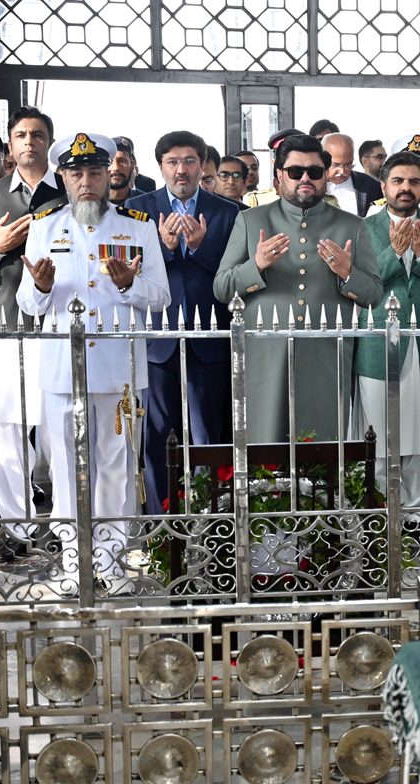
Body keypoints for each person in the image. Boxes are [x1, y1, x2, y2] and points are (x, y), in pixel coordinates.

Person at [17, 132, 170, 594]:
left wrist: (127, 285)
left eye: (95, 173)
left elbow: (160, 298)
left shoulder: (138, 227)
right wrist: (41, 287)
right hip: (63, 370)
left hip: (119, 371)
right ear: (63, 178)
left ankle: (112, 562)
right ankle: (73, 562)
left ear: (109, 176)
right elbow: (27, 304)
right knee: (65, 468)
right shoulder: (44, 226)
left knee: (117, 468)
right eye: (77, 173)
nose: (86, 182)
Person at [214, 133, 382, 442]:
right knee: (264, 445)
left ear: (325, 176)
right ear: (280, 175)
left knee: (322, 450)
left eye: (314, 172)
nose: (305, 178)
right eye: (295, 171)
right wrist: (257, 265)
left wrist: (347, 272)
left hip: (326, 358)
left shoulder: (352, 226)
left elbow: (373, 294)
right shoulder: (251, 220)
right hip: (265, 356)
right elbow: (222, 287)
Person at [126, 131, 240, 516]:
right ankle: (163, 522)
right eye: (173, 162)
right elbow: (128, 273)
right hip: (158, 340)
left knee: (209, 435)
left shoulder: (228, 212)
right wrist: (164, 248)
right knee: (158, 435)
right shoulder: (137, 209)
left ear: (202, 165)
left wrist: (201, 247)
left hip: (210, 340)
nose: (181, 170)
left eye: (190, 161)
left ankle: (209, 518)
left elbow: (232, 273)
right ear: (160, 166)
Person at [354, 151, 420, 518]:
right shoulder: (364, 228)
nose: (405, 188)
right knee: (382, 434)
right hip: (378, 348)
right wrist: (395, 253)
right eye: (397, 181)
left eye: (414, 181)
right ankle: (383, 516)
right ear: (383, 186)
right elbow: (362, 288)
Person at [0, 106, 66, 563]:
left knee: (58, 430)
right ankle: (17, 529)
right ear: (10, 143)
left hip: (59, 326)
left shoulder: (70, 192)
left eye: (38, 134)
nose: (30, 142)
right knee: (5, 432)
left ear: (49, 143)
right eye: (21, 135)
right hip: (3, 326)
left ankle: (62, 527)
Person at [107, 136, 144, 206]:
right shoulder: (90, 203)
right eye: (110, 162)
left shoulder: (147, 204)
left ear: (132, 165)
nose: (116, 168)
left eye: (122, 161)